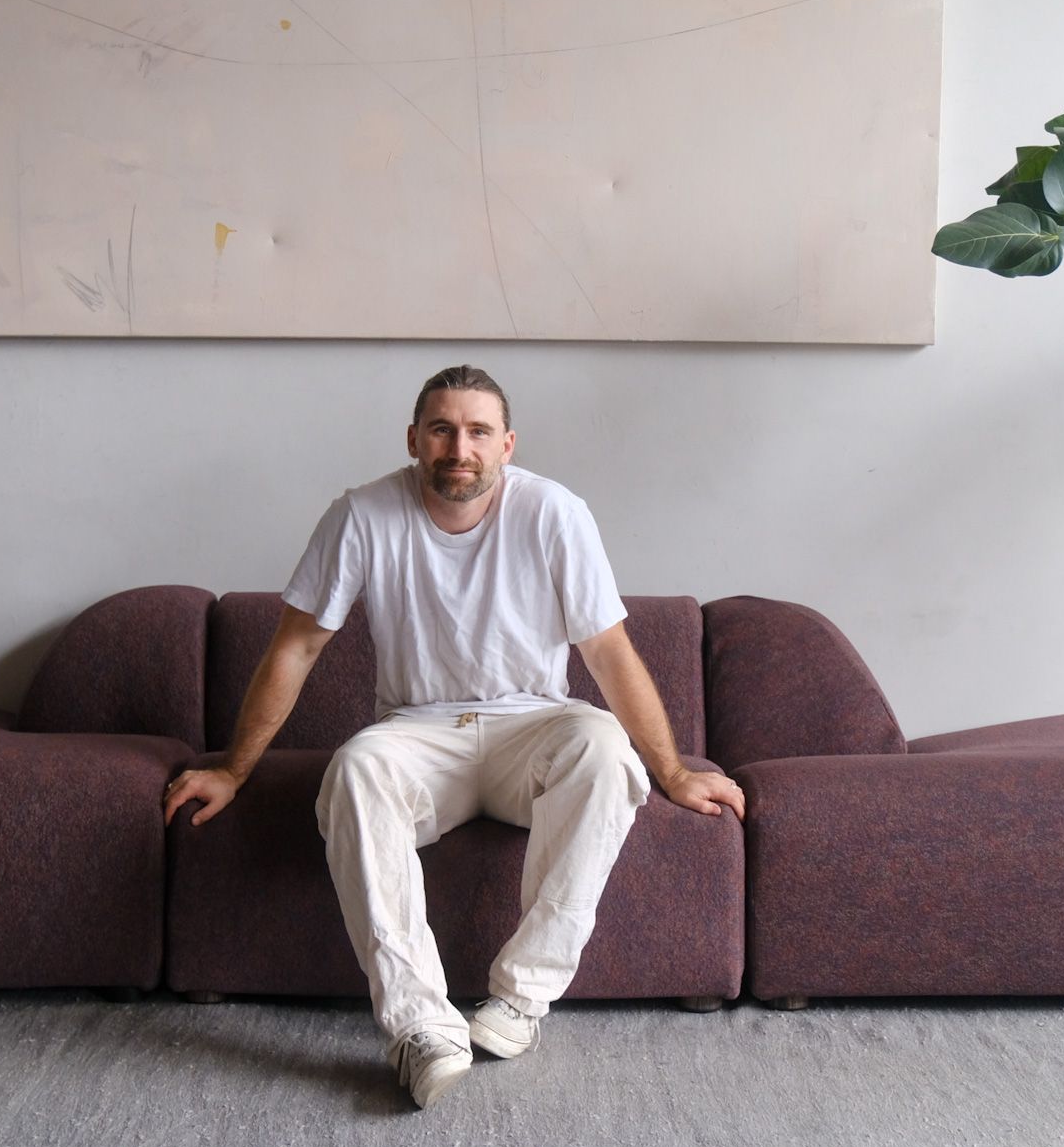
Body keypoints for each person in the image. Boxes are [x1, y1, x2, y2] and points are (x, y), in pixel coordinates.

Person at [160, 365, 745, 1109]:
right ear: (414, 439)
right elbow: (296, 647)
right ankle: (419, 1030)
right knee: (354, 769)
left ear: (506, 444)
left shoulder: (554, 513)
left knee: (603, 748)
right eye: (440, 428)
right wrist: (235, 771)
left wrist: (674, 772)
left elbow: (609, 654)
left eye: (476, 431)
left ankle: (519, 1000)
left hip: (532, 724)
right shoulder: (363, 514)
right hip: (419, 732)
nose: (457, 447)